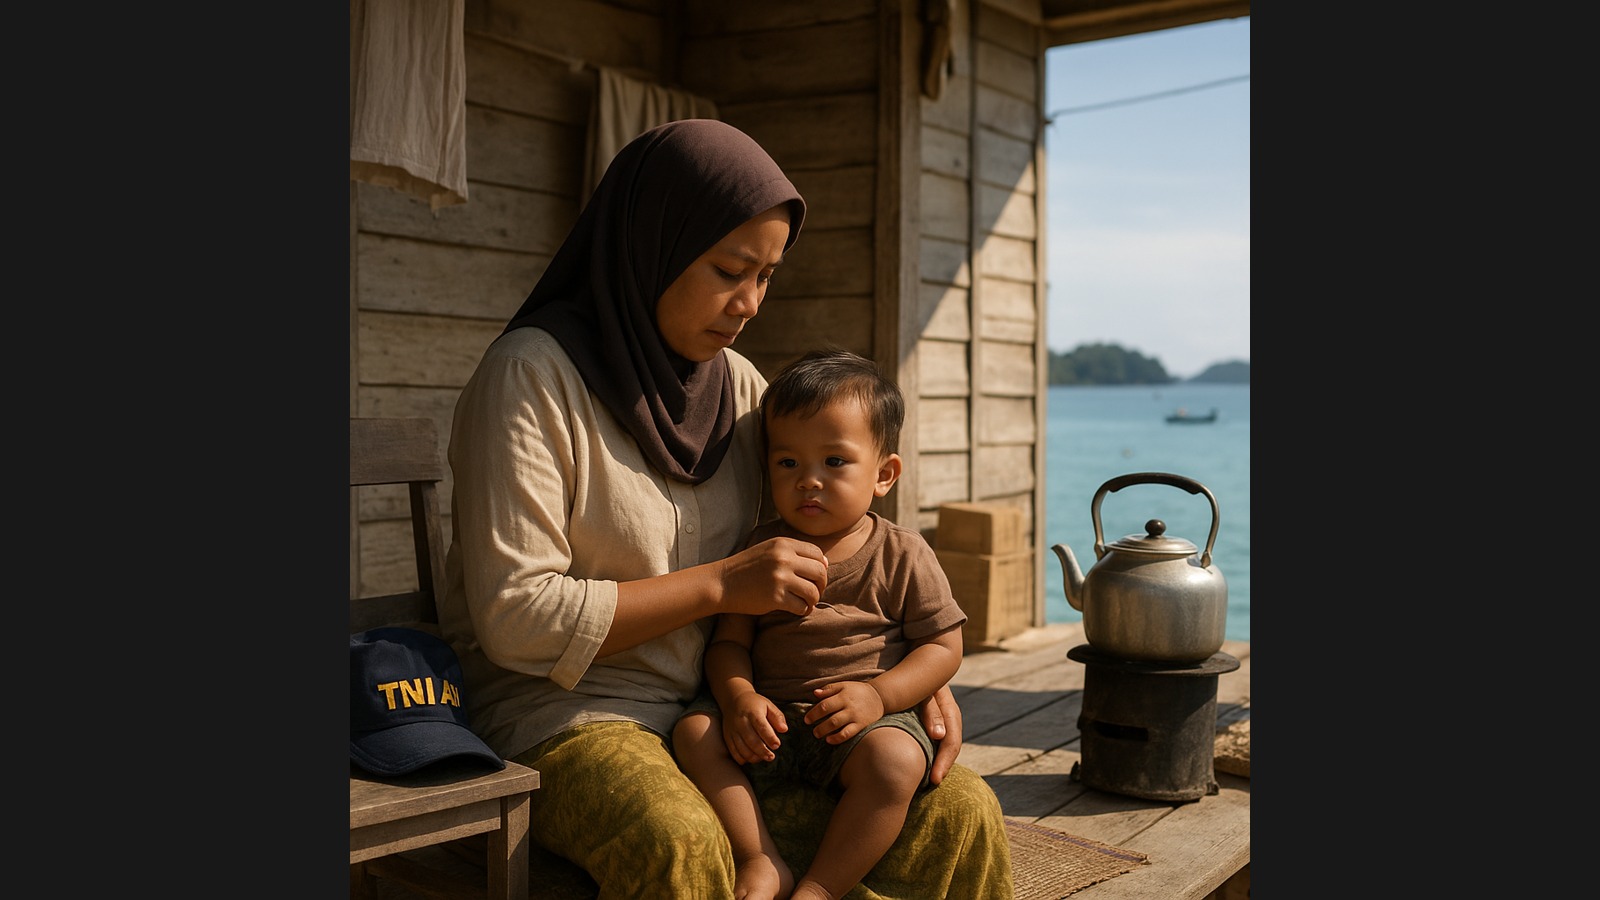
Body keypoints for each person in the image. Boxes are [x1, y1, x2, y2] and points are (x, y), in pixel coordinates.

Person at [437, 118, 1012, 898]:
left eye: (766, 276)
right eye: (728, 270)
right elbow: (515, 616)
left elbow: (822, 538)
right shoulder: (531, 380)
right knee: (681, 841)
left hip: (736, 713)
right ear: (654, 246)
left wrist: (902, 681)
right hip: (569, 718)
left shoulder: (741, 389)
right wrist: (718, 586)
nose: (747, 303)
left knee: (961, 811)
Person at [673, 349, 967, 900]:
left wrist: (880, 697)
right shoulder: (761, 550)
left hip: (862, 729)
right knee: (695, 732)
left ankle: (821, 889)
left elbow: (943, 648)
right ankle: (760, 858)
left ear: (884, 475)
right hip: (771, 724)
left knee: (897, 760)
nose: (809, 481)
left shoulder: (903, 553)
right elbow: (729, 644)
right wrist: (738, 700)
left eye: (834, 463)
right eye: (788, 463)